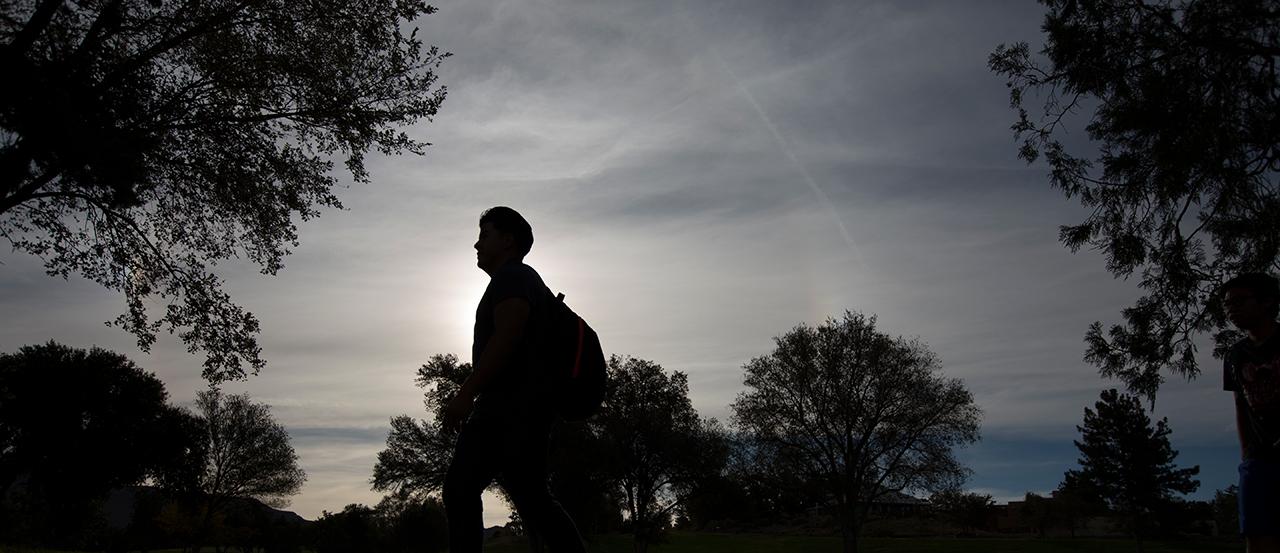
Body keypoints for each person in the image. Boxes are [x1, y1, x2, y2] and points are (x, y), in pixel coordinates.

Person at [441, 206, 587, 553]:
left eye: (485, 235)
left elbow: (507, 336)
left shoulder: (513, 278)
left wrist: (466, 394)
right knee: (533, 498)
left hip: (506, 408)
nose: (477, 245)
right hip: (528, 408)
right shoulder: (523, 280)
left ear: (508, 240)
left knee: (461, 488)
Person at [1223, 272, 1280, 552]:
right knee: (1257, 536)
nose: (1232, 309)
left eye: (1240, 301)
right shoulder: (1235, 355)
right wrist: (1246, 452)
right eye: (1228, 304)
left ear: (1267, 301)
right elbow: (1239, 403)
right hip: (1259, 460)